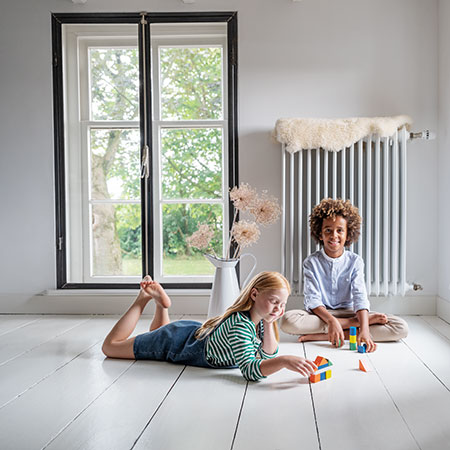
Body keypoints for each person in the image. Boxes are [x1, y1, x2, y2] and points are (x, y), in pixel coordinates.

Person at [102, 271, 317, 382]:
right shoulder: (239, 326)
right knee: (111, 347)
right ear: (254, 294)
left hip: (190, 335)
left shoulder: (259, 320)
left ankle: (161, 305)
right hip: (176, 341)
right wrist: (285, 361)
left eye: (283, 304)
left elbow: (265, 355)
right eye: (274, 302)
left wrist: (270, 324)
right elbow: (251, 371)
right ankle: (143, 299)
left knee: (155, 334)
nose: (279, 309)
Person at [280, 198, 408, 352]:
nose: (334, 235)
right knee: (288, 321)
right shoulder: (311, 262)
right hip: (321, 315)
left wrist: (365, 330)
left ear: (348, 235)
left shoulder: (355, 261)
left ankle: (325, 335)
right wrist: (333, 320)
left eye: (340, 230)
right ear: (320, 234)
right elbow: (312, 300)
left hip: (350, 311)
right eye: (328, 230)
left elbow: (360, 296)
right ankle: (353, 325)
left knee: (400, 328)